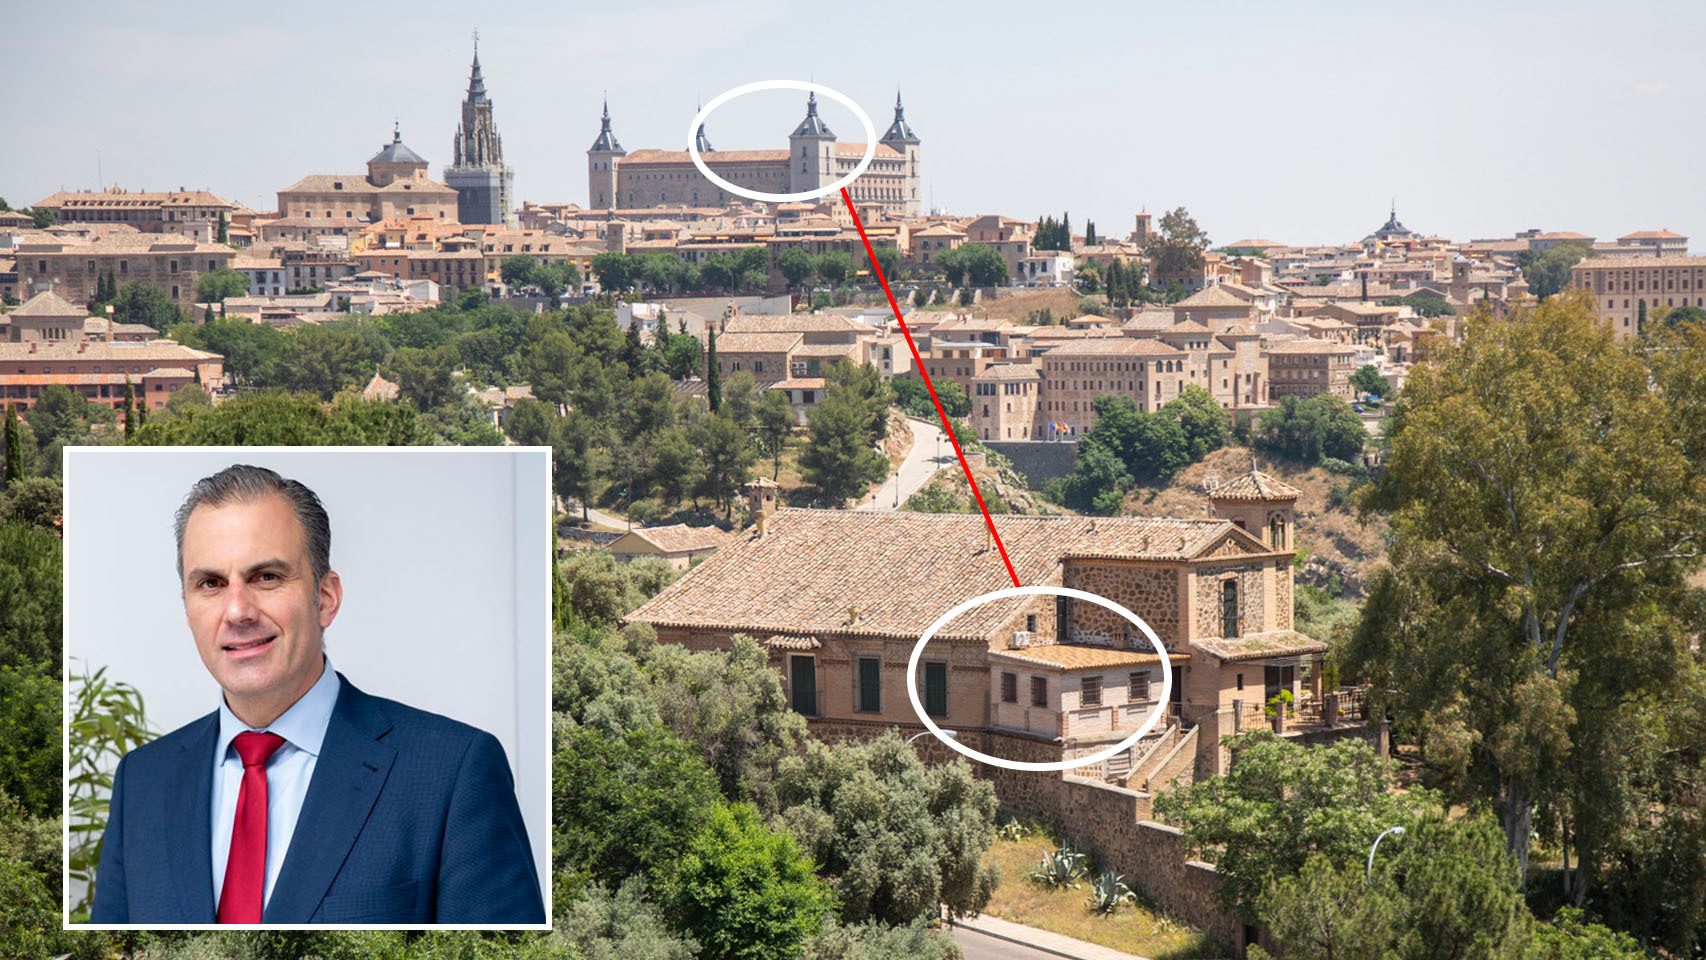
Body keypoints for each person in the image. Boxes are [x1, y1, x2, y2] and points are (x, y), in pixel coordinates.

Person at [91, 464, 544, 924]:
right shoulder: (142, 784)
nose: (237, 610)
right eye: (210, 584)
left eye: (266, 577)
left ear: (325, 598)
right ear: (188, 608)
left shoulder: (454, 772)